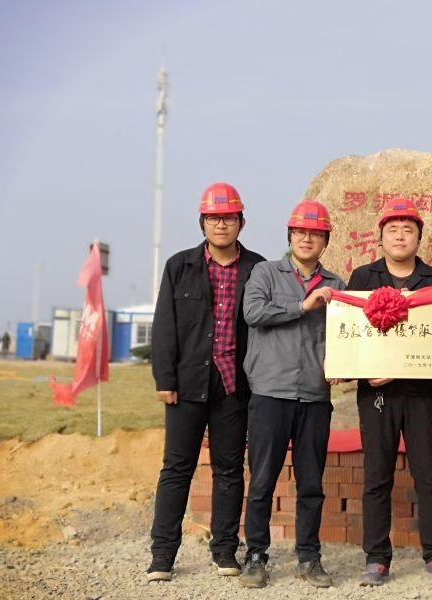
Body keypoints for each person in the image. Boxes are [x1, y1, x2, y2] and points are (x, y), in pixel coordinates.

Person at [147, 182, 265, 581]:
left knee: (229, 470)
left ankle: (225, 551)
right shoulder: (179, 266)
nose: (221, 224)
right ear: (202, 222)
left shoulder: (258, 268)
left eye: (229, 218)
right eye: (214, 218)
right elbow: (165, 326)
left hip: (234, 385)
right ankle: (162, 556)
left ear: (241, 222)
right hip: (186, 384)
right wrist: (165, 378)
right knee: (176, 469)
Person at [346, 198, 432, 586]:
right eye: (392, 230)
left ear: (419, 238)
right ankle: (377, 558)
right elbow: (352, 335)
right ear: (380, 237)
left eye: (407, 230)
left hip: (422, 393)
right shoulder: (363, 277)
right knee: (377, 475)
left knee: (429, 474)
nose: (399, 236)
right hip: (377, 394)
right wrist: (363, 371)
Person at [239, 200, 346, 589]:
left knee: (312, 484)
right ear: (290, 236)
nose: (306, 239)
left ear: (325, 241)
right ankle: (255, 556)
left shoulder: (336, 285)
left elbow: (344, 335)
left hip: (315, 396)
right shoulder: (266, 273)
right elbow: (253, 313)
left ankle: (309, 557)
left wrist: (343, 362)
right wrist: (303, 305)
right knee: (262, 480)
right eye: (300, 232)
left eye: (315, 233)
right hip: (271, 392)